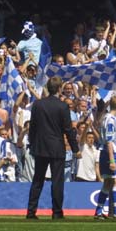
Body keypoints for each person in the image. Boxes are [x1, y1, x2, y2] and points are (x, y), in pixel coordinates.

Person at [26, 76, 80, 219]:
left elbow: (33, 128)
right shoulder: (62, 106)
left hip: (41, 146)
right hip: (56, 147)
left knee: (38, 180)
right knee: (57, 181)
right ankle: (57, 212)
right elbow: (68, 130)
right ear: (59, 89)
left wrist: (32, 144)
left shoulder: (38, 104)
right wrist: (75, 149)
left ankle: (31, 211)